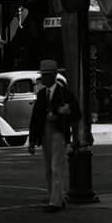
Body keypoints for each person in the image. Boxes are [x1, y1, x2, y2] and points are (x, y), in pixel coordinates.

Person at [28, 58, 78, 212]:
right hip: (45, 133)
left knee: (57, 167)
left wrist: (59, 113)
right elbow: (35, 118)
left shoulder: (64, 93)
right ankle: (54, 197)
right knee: (48, 168)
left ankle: (55, 202)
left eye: (45, 75)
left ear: (53, 76)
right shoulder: (42, 94)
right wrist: (32, 140)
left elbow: (76, 112)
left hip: (58, 133)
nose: (42, 78)